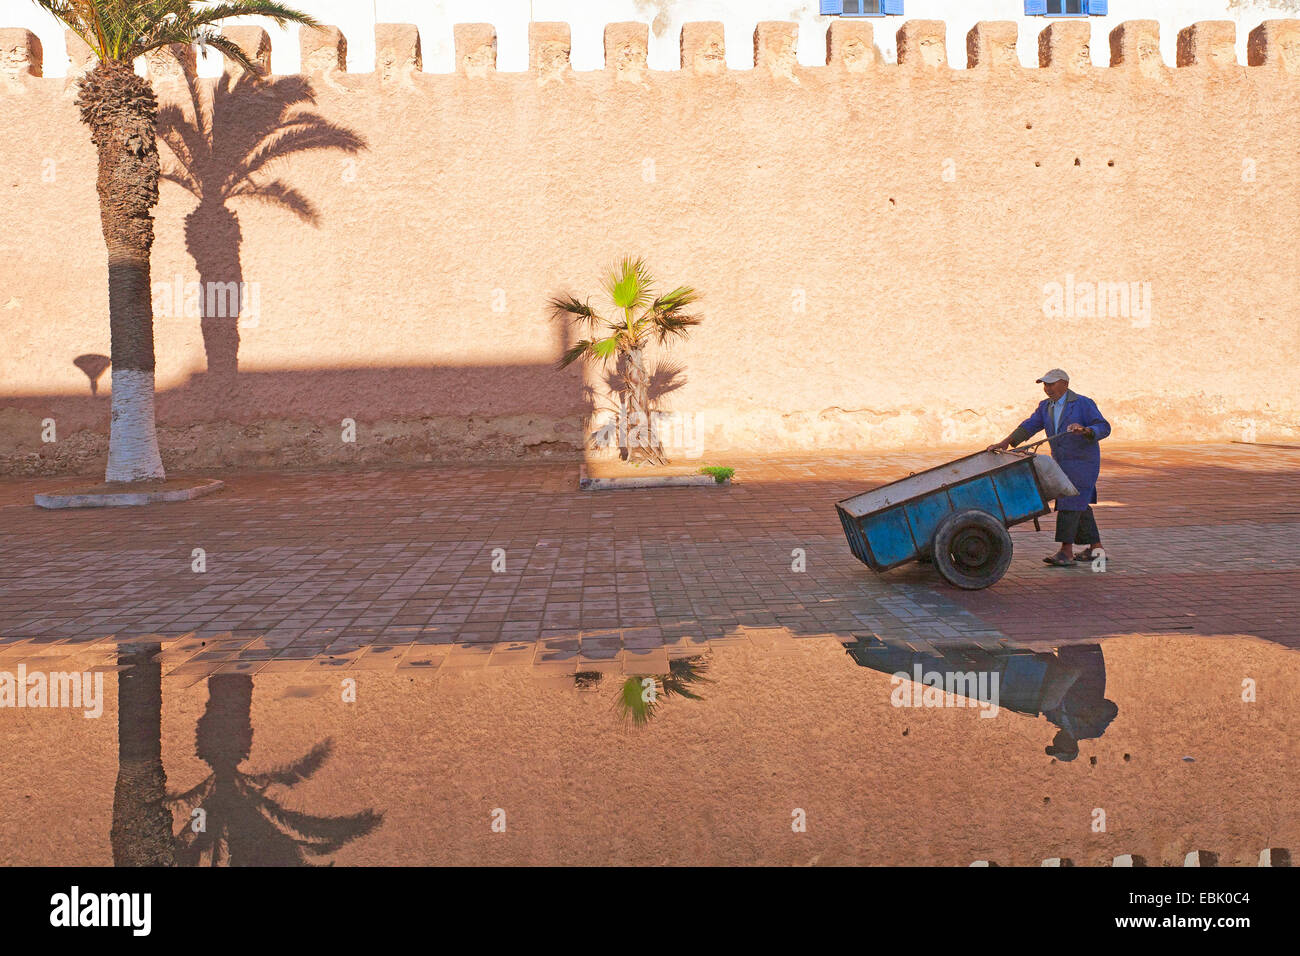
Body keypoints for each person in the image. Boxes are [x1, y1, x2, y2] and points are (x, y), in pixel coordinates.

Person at [987, 369, 1112, 567]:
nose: (1047, 389)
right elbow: (1029, 426)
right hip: (1061, 462)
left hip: (1083, 462)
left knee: (1069, 501)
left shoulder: (1083, 403)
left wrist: (1086, 430)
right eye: (1045, 385)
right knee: (1080, 503)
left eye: (1051, 384)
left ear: (1065, 383)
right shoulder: (1045, 407)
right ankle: (1097, 550)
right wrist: (1005, 443)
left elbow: (1104, 427)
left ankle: (1066, 551)